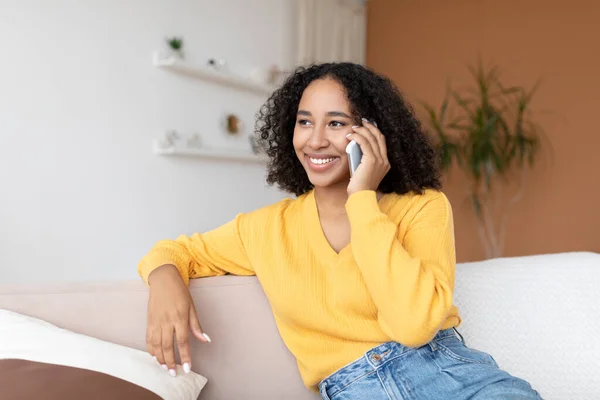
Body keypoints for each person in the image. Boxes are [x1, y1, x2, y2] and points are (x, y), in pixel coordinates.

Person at [138, 62, 541, 399]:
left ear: (372, 134)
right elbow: (173, 252)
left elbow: (414, 326)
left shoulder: (422, 207)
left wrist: (362, 198)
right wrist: (164, 282)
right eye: (304, 122)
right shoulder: (264, 228)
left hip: (454, 376)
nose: (315, 140)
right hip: (354, 387)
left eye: (336, 123)